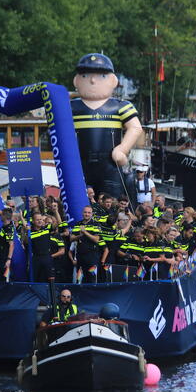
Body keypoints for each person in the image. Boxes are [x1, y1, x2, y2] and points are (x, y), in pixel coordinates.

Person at [71, 53, 143, 197]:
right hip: (80, 164)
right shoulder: (71, 107)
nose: (92, 80)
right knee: (79, 201)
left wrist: (122, 149)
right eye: (85, 75)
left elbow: (135, 127)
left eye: (102, 76)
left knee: (111, 201)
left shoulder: (120, 106)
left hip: (110, 165)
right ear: (76, 80)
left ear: (113, 80)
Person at [70, 205, 102, 282]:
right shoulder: (78, 224)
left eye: (89, 212)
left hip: (92, 256)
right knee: (79, 280)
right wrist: (80, 236)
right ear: (82, 213)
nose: (87, 214)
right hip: (80, 256)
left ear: (92, 214)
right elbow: (71, 238)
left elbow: (96, 239)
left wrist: (85, 232)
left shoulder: (96, 224)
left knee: (92, 279)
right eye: (85, 212)